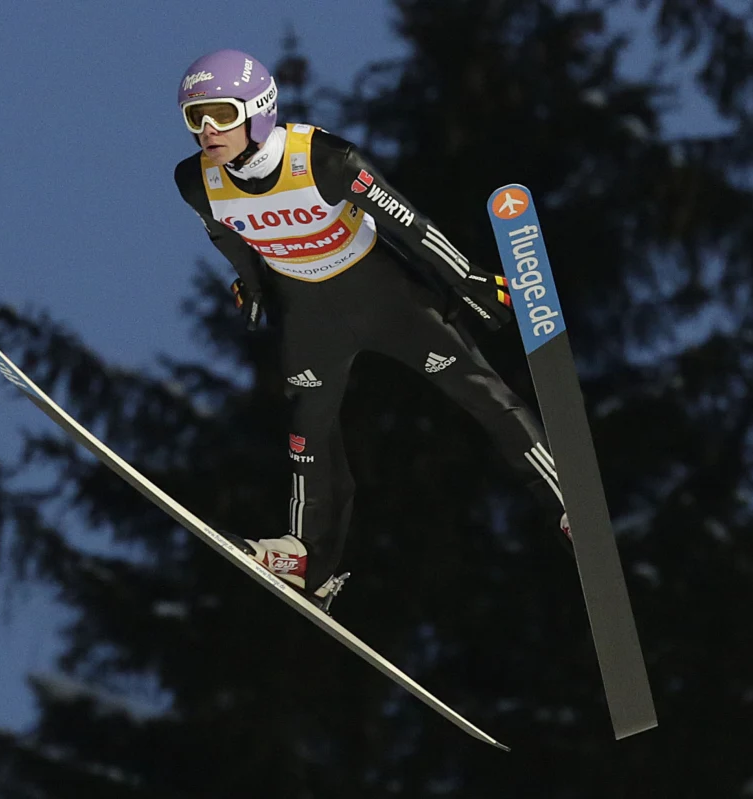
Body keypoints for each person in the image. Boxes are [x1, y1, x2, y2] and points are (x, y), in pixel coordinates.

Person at [173, 49, 571, 612]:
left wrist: (468, 279)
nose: (208, 130)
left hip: (385, 296)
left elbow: (406, 221)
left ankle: (563, 498)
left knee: (478, 388)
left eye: (220, 113)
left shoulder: (324, 158)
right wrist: (252, 284)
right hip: (309, 311)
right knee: (307, 427)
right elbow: (225, 235)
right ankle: (305, 556)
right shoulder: (196, 181)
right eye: (196, 118)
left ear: (258, 110)